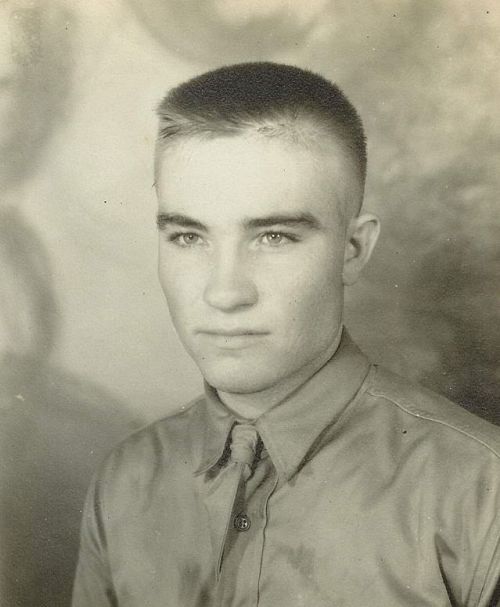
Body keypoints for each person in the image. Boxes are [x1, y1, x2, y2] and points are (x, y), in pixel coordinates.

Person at [72, 62, 500, 606]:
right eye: (188, 237)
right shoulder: (126, 479)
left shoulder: (483, 494)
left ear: (353, 250)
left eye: (274, 236)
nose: (224, 293)